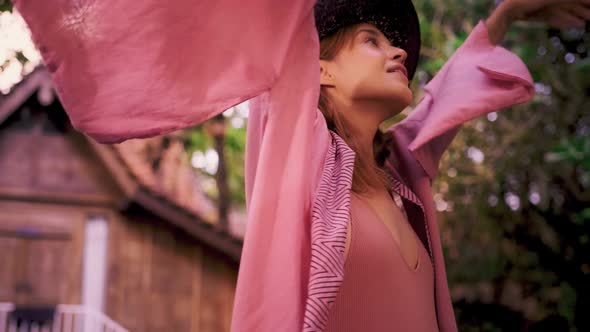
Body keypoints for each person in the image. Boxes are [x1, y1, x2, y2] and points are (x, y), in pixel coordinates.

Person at [12, 0, 590, 331]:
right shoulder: (300, 156)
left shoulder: (405, 178)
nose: (398, 53)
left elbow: (444, 103)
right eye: (371, 39)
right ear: (317, 68)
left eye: (399, 47)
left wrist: (507, 15)